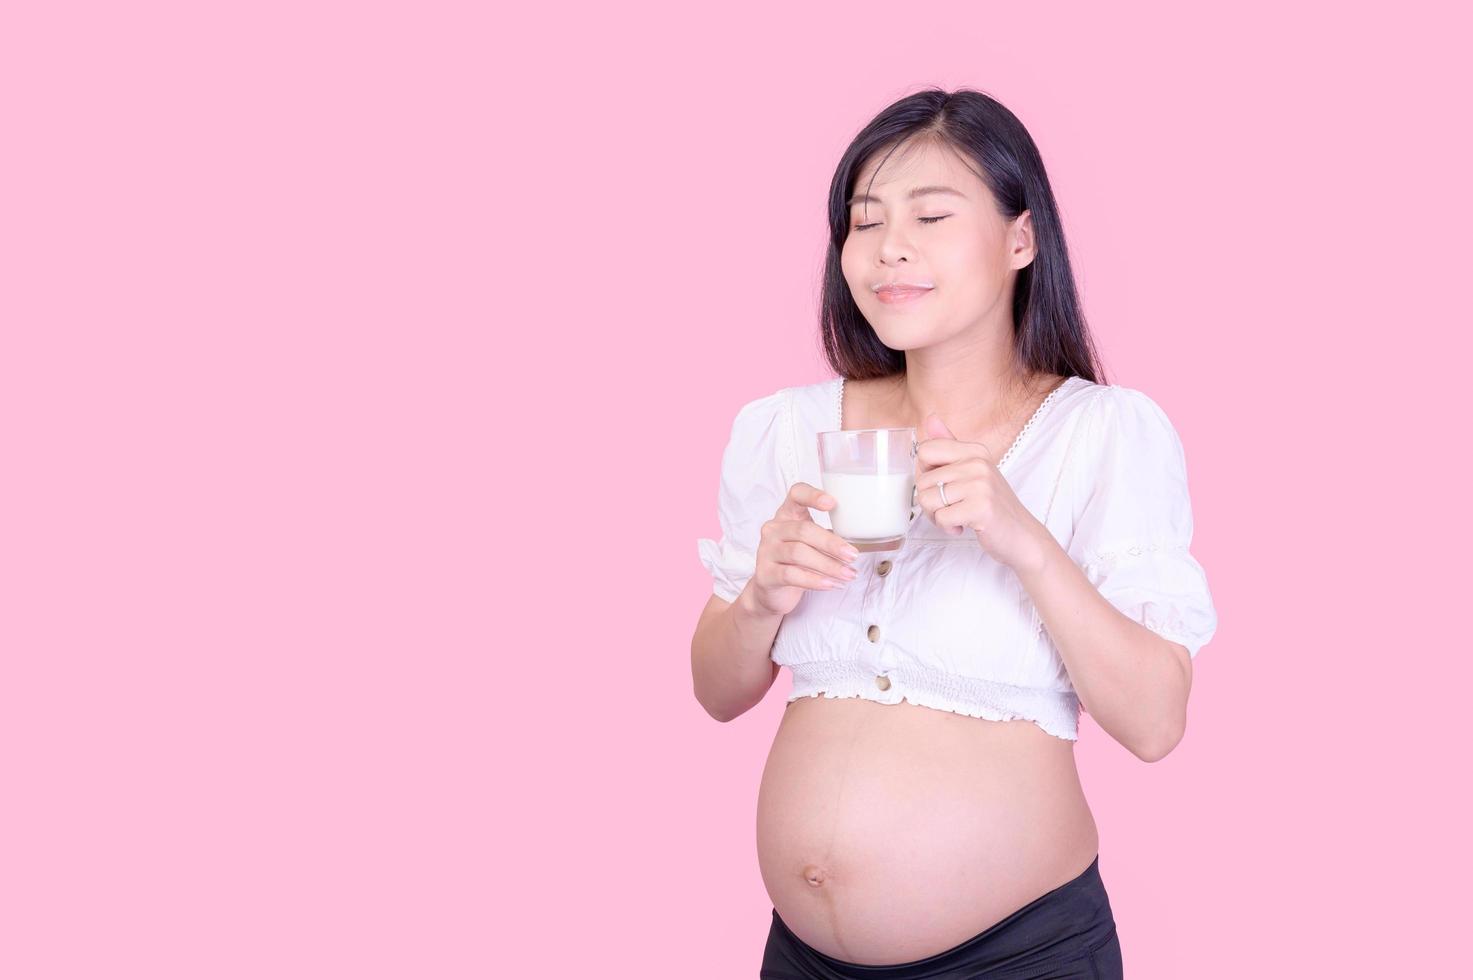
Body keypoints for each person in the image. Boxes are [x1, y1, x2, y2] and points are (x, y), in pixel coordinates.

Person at [692, 88, 1218, 979]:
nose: (890, 244)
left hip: (1018, 957)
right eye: (865, 221)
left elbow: (1155, 721)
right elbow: (716, 691)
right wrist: (758, 599)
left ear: (1020, 240)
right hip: (802, 960)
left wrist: (1022, 538)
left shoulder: (1099, 435)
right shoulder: (786, 431)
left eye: (930, 214)